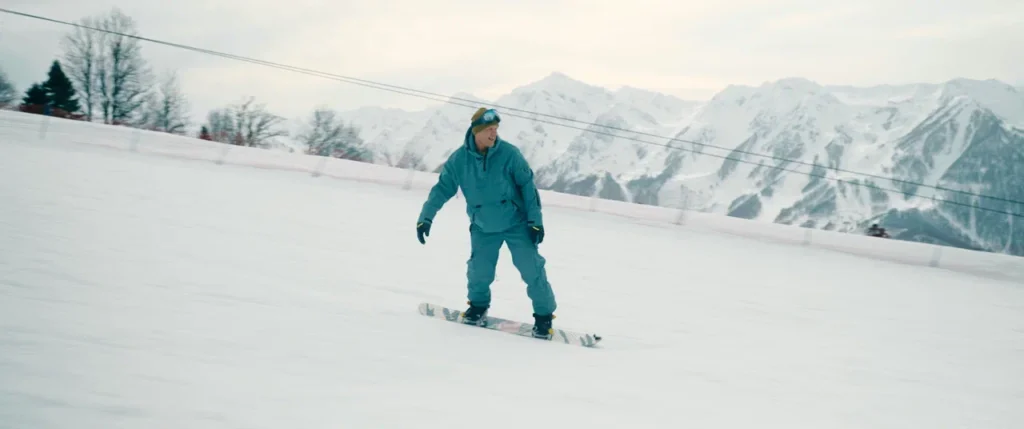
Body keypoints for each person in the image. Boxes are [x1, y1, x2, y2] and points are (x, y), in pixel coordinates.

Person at [415, 107, 557, 339]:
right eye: (489, 130)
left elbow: (528, 187)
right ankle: (478, 307)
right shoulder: (459, 160)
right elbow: (442, 189)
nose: (494, 134)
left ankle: (544, 317)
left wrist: (535, 221)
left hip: (516, 224)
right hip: (483, 226)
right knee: (479, 271)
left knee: (532, 269)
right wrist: (426, 217)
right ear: (476, 131)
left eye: (496, 129)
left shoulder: (510, 154)